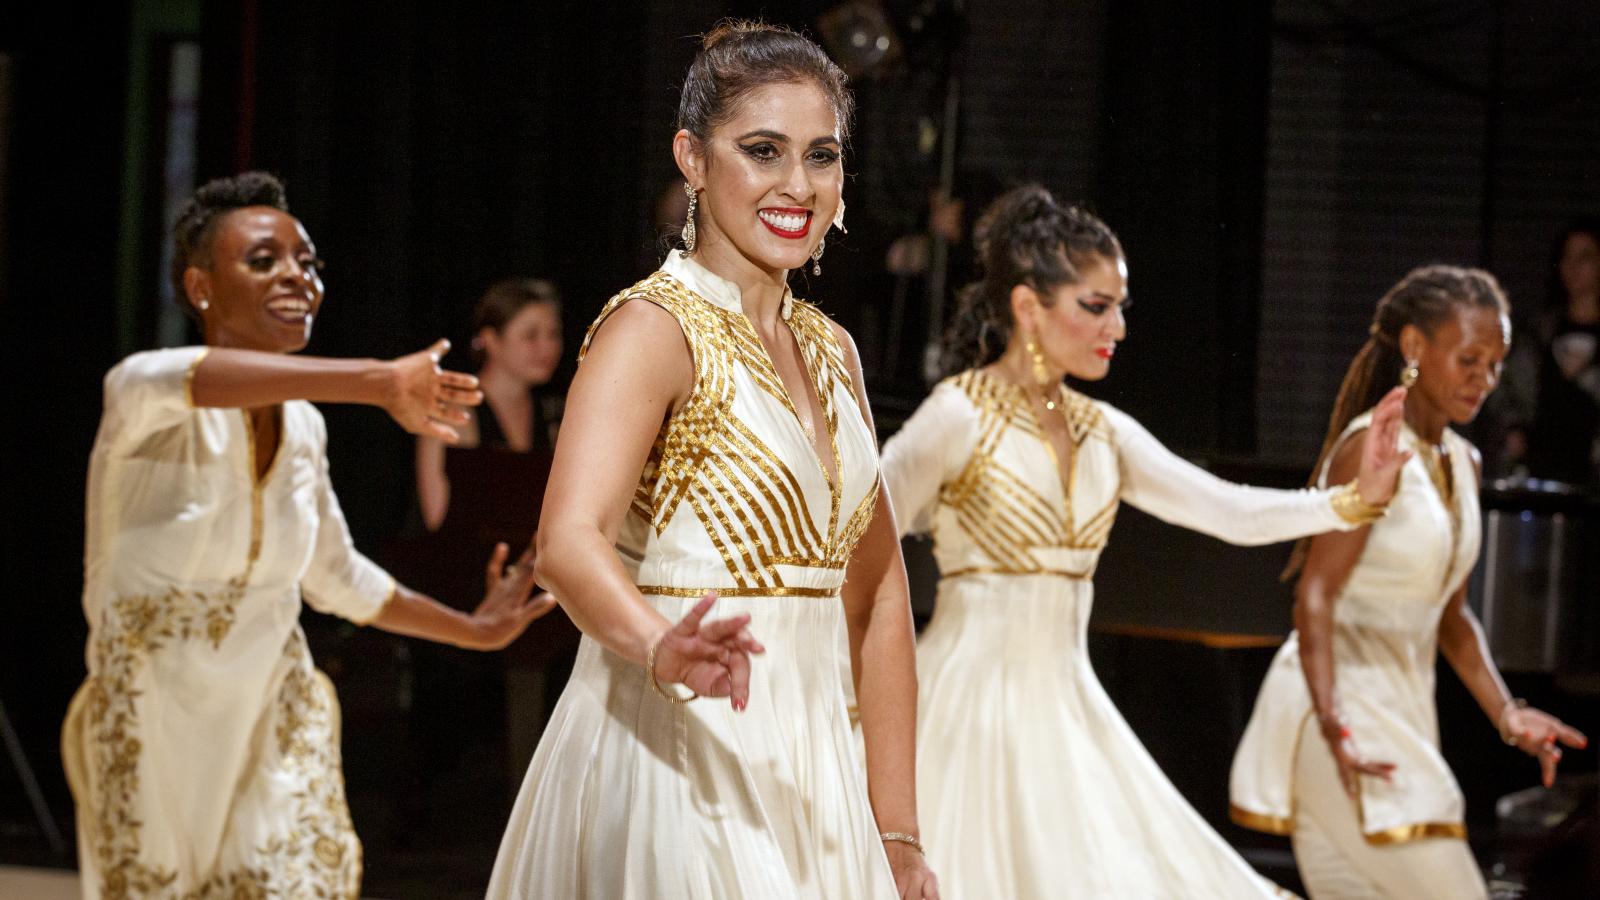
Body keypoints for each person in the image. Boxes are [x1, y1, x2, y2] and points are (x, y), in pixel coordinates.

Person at [487, 21, 938, 900]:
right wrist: (662, 648)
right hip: (672, 761)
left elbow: (879, 594)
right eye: (762, 151)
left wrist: (896, 828)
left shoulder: (835, 350)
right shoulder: (650, 330)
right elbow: (567, 543)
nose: (796, 185)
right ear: (692, 157)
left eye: (822, 155)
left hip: (816, 787)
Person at [876, 184, 1410, 898]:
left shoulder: (1104, 431)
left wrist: (1353, 500)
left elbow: (1230, 512)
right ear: (1029, 308)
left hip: (1067, 716)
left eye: (1120, 306)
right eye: (1096, 306)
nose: (1118, 327)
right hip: (960, 716)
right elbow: (860, 537)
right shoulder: (957, 415)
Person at [60, 171, 554, 899]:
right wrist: (378, 382)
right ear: (200, 288)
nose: (297, 276)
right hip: (153, 724)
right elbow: (191, 377)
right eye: (264, 260)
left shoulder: (304, 426)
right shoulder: (142, 391)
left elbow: (338, 577)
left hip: (271, 720)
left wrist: (470, 630)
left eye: (308, 262)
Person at [1230, 264, 1589, 898]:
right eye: (1470, 359)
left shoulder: (1464, 461)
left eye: (1497, 364)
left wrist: (1508, 712)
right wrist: (1335, 722)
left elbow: (1451, 617)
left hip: (1402, 715)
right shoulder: (1369, 449)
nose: (1486, 380)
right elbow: (1314, 593)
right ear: (1416, 348)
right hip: (1341, 717)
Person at [1496, 218, 1600, 487]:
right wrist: (1514, 430)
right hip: (1537, 469)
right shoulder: (1538, 332)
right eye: (1567, 257)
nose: (1573, 267)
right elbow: (1505, 385)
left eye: (1585, 257)